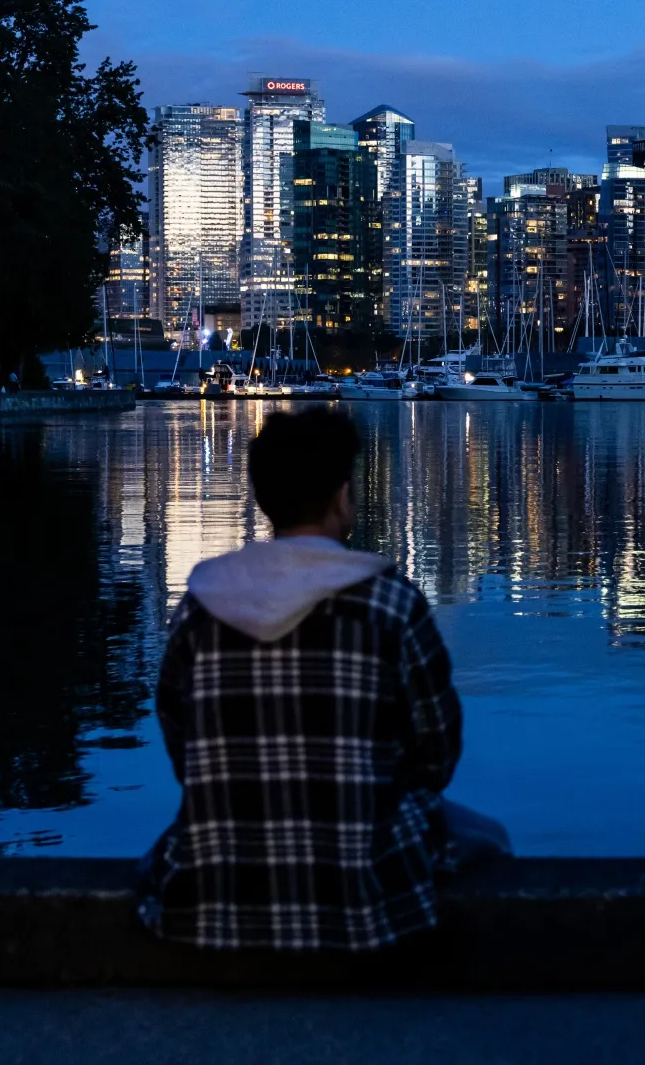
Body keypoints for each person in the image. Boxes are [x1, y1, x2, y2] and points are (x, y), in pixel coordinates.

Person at [138, 407, 508, 952]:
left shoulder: (199, 608)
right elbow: (436, 756)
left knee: (164, 849)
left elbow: (181, 746)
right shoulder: (391, 604)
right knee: (488, 839)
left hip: (216, 892)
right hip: (363, 898)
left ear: (265, 501)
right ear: (341, 495)